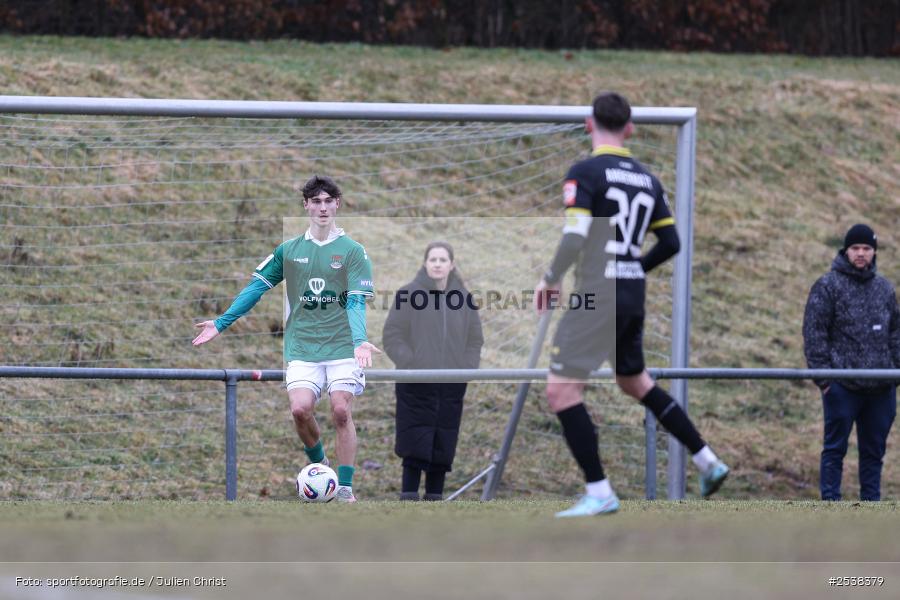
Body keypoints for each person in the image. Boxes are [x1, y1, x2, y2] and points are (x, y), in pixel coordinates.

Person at [533, 92, 729, 518]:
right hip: (630, 294)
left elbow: (576, 235)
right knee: (634, 381)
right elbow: (671, 242)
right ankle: (707, 460)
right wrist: (635, 268)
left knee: (562, 390)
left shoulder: (585, 171)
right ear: (630, 128)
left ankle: (599, 491)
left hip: (597, 293)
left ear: (589, 124)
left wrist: (550, 278)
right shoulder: (647, 178)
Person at [192, 175, 380, 503]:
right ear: (306, 205)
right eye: (315, 201)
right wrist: (222, 322)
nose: (322, 207)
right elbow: (256, 287)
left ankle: (345, 489)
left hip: (342, 347)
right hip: (303, 348)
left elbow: (355, 300)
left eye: (328, 201)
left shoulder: (353, 252)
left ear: (337, 204)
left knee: (339, 410)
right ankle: (322, 470)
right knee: (299, 410)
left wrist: (360, 340)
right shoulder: (289, 250)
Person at [802, 224, 899, 501]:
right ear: (846, 251)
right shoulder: (827, 286)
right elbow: (814, 333)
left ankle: (871, 512)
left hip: (881, 389)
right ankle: (831, 509)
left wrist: (894, 375)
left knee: (874, 454)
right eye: (855, 248)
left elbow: (895, 333)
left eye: (866, 249)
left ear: (874, 252)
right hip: (841, 387)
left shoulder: (884, 289)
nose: (860, 254)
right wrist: (825, 380)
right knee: (834, 450)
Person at [383, 241, 484, 501]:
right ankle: (408, 497)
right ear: (425, 263)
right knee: (414, 443)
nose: (437, 264)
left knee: (443, 443)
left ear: (452, 265)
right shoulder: (408, 294)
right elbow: (393, 335)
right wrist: (410, 362)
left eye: (443, 260)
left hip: (451, 386)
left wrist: (467, 369)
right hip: (416, 385)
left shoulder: (464, 299)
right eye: (433, 259)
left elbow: (475, 339)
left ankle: (435, 499)